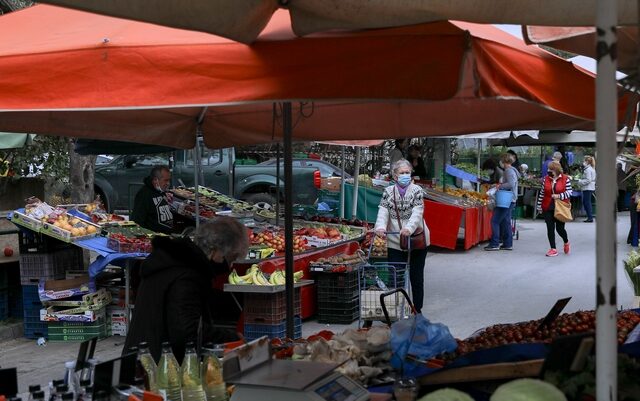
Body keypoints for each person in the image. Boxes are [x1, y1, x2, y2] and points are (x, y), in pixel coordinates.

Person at [123, 217, 249, 363]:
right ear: (216, 251)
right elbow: (186, 331)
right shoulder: (187, 276)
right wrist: (230, 337)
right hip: (155, 365)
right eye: (230, 259)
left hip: (142, 355)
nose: (229, 266)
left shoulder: (172, 261)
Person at [375, 159, 430, 313]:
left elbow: (418, 211)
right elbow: (383, 211)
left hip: (417, 240)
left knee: (416, 277)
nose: (405, 175)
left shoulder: (417, 190)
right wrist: (379, 227)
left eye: (407, 172)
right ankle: (396, 309)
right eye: (402, 173)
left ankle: (417, 309)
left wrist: (409, 228)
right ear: (394, 175)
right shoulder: (388, 192)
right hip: (395, 241)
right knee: (396, 276)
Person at [536, 161, 572, 257]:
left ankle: (566, 241)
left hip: (560, 207)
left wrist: (559, 195)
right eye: (548, 169)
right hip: (547, 206)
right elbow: (542, 193)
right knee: (550, 228)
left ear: (555, 170)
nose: (548, 171)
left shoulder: (565, 179)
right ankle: (553, 248)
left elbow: (569, 192)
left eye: (550, 169)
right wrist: (539, 206)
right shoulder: (546, 179)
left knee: (560, 229)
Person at [484, 153, 519, 251]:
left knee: (495, 220)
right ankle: (508, 244)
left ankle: (495, 243)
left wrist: (499, 186)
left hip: (506, 199)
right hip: (511, 199)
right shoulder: (512, 170)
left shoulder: (508, 171)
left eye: (501, 161)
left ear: (504, 161)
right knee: (506, 221)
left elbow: (510, 184)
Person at [130, 166, 174, 234]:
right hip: (154, 238)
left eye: (169, 180)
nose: (168, 183)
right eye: (165, 180)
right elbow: (137, 220)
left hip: (167, 236)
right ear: (155, 180)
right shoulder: (144, 194)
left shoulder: (161, 191)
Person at [580, 156, 596, 222]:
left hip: (588, 188)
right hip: (589, 187)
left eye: (584, 161)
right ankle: (589, 217)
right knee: (586, 202)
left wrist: (580, 182)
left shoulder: (588, 169)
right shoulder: (590, 168)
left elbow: (588, 180)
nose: (583, 162)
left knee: (587, 202)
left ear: (587, 162)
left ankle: (590, 217)